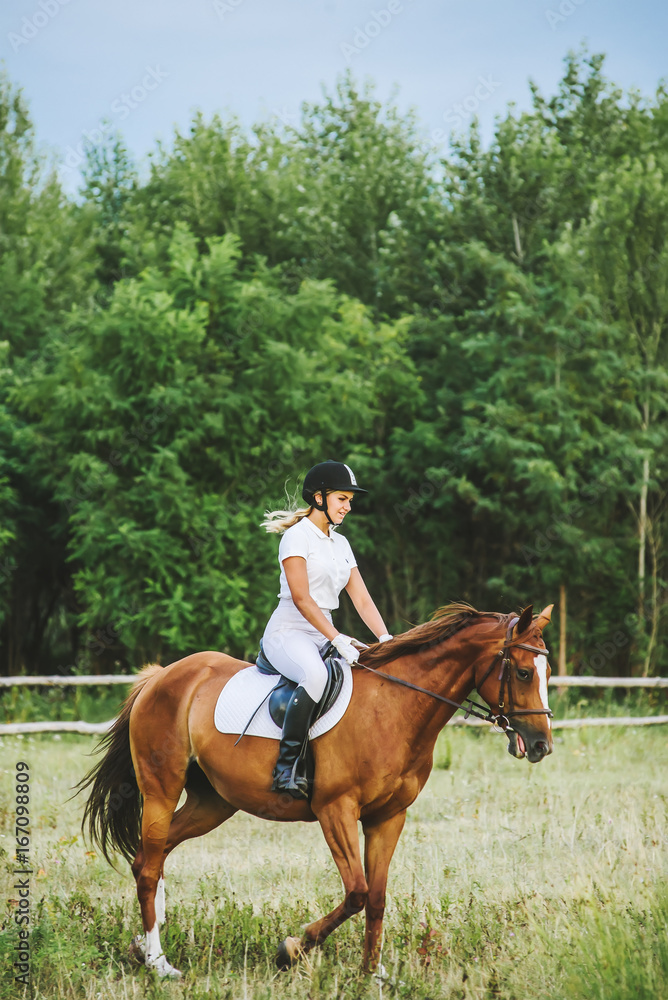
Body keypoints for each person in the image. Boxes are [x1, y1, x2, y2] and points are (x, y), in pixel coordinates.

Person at [260, 460, 392, 799]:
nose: (348, 507)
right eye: (342, 499)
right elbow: (303, 599)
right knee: (316, 676)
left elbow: (361, 599)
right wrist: (337, 638)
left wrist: (385, 639)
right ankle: (286, 768)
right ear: (319, 497)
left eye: (350, 500)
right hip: (289, 631)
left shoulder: (341, 544)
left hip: (325, 631)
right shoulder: (296, 537)